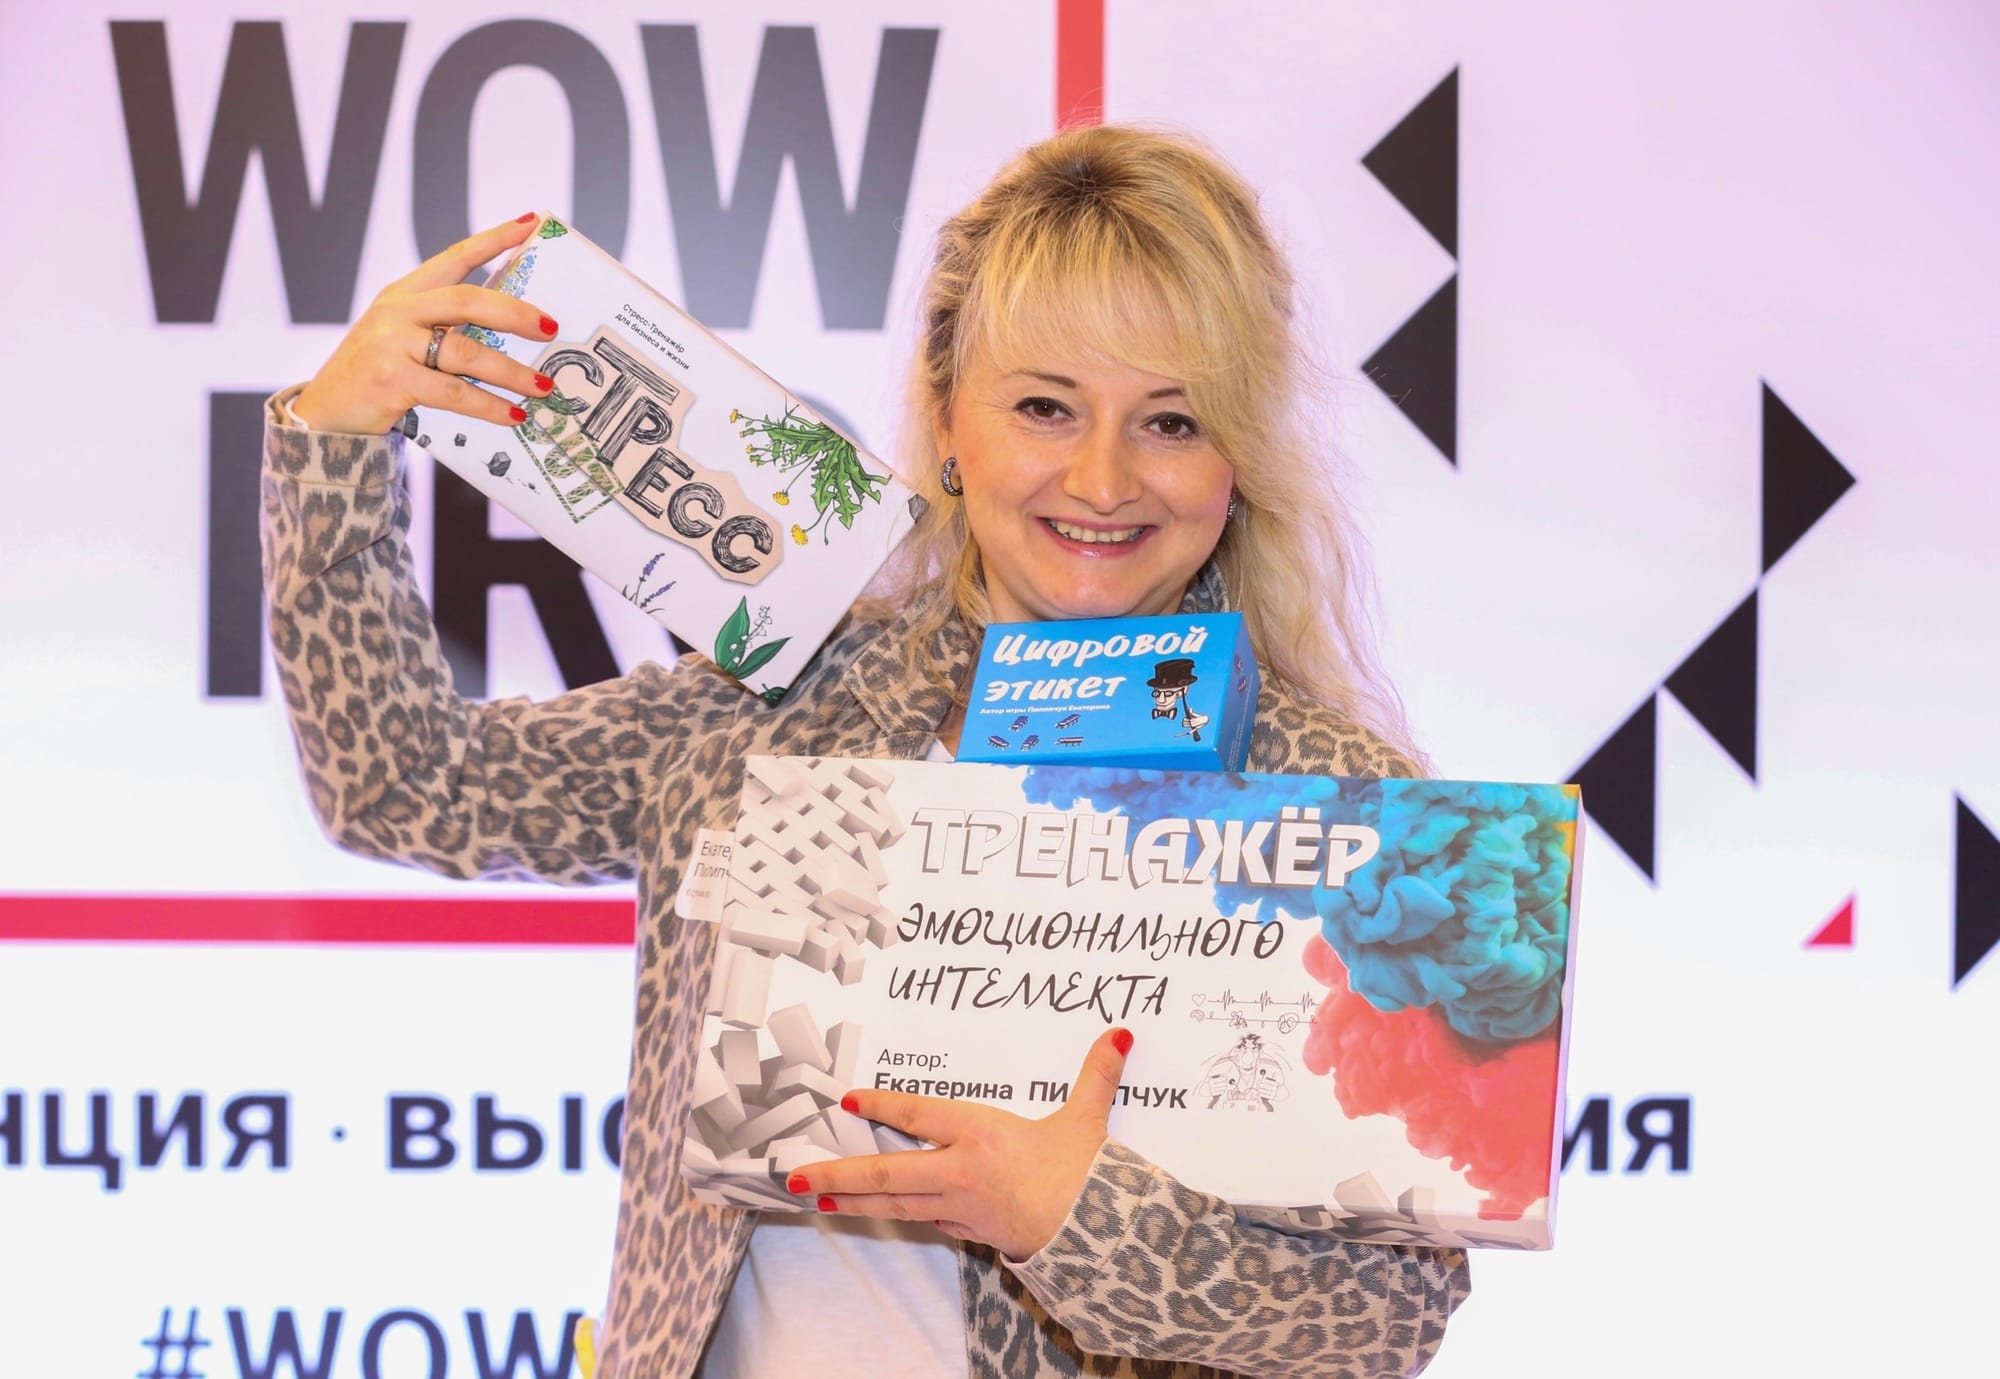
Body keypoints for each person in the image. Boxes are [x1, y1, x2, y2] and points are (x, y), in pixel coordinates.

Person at [264, 124, 1470, 1377]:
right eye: (1045, 407)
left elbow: (1387, 1311)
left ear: (1240, 454)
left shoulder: (1328, 801)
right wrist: (331, 445)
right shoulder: (781, 705)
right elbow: (406, 782)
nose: (1102, 478)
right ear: (947, 417)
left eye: (1171, 420)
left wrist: (1070, 1216)